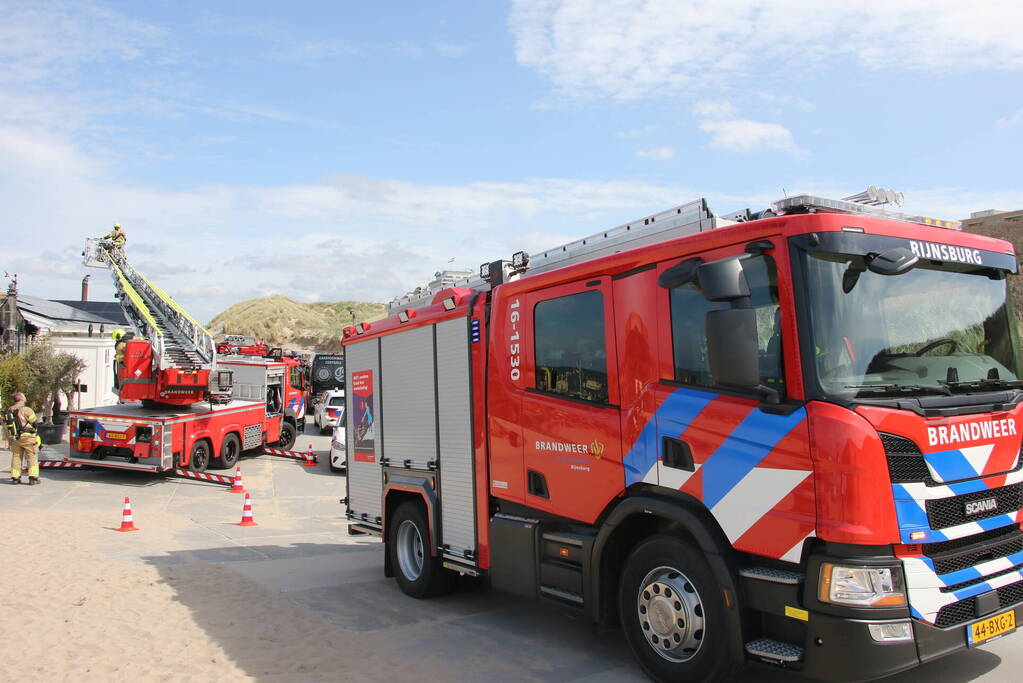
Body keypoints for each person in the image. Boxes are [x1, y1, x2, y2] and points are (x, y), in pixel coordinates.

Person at [4, 392, 41, 485]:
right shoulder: (26, 409)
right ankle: (33, 478)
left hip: (15, 438)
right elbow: (35, 423)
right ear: (21, 399)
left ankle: (15, 478)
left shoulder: (9, 410)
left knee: (16, 457)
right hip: (28, 437)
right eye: (24, 396)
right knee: (32, 456)